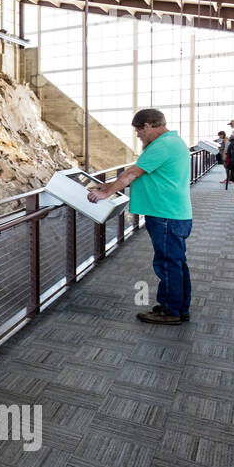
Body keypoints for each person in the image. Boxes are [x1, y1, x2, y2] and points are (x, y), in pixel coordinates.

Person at [88, 108, 193, 324]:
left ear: (147, 126)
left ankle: (171, 311)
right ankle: (177, 307)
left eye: (138, 131)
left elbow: (133, 173)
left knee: (167, 263)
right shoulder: (173, 142)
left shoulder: (162, 145)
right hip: (173, 213)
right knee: (175, 262)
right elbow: (144, 175)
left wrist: (106, 194)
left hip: (165, 214)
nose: (138, 136)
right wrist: (108, 185)